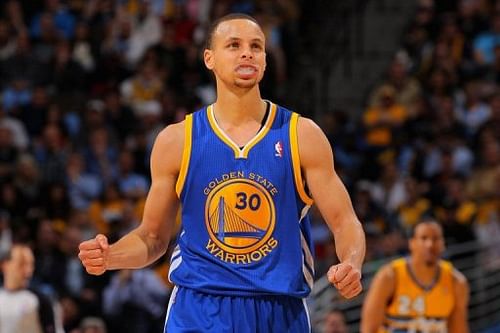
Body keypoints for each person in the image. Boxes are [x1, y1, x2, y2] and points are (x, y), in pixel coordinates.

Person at [78, 13, 366, 332]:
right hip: (199, 307)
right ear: (209, 58)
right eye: (234, 45)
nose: (247, 53)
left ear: (265, 61)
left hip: (278, 309)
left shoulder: (302, 135)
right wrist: (110, 257)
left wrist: (351, 262)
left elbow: (344, 222)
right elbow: (153, 237)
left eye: (256, 46)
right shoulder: (177, 140)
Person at [361, 219, 470, 333]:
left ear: (443, 243)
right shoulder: (389, 276)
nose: (430, 244)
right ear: (412, 243)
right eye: (424, 238)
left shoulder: (456, 282)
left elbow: (459, 329)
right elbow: (368, 328)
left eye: (436, 238)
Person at [0, 244, 58, 333]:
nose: (28, 271)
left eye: (30, 265)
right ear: (4, 265)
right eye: (21, 264)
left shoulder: (41, 300)